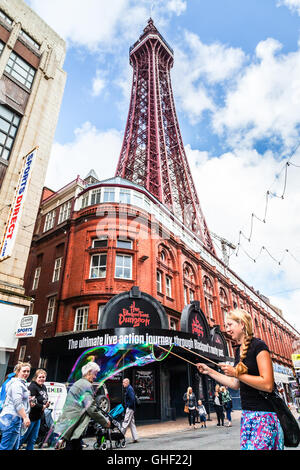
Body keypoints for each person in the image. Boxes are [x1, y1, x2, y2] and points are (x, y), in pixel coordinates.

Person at [196, 308, 284, 450]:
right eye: (226, 326)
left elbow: (268, 384)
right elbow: (235, 384)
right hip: (248, 416)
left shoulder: (259, 346)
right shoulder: (238, 351)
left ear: (242, 324)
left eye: (230, 325)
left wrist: (236, 373)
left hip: (265, 416)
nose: (227, 329)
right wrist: (209, 371)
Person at [54, 362, 110, 450]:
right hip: (74, 424)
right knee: (73, 446)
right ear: (88, 373)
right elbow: (91, 408)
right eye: (95, 374)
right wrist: (105, 422)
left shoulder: (78, 383)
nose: (95, 377)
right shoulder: (86, 385)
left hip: (70, 423)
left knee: (74, 445)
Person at [0, 362, 31, 450]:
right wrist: (25, 417)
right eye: (24, 371)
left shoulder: (20, 383)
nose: (26, 373)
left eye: (28, 371)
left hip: (13, 418)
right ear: (18, 372)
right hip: (12, 419)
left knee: (13, 447)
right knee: (6, 448)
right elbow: (17, 403)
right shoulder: (17, 384)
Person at [20, 369, 49, 450]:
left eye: (43, 377)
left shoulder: (43, 386)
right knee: (23, 437)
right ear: (36, 377)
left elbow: (43, 398)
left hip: (38, 417)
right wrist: (42, 406)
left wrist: (46, 404)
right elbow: (31, 403)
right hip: (31, 416)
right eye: (40, 377)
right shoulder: (32, 387)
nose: (42, 379)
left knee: (33, 439)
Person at [121, 378, 138, 443]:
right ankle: (135, 438)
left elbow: (132, 399)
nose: (123, 384)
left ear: (127, 383)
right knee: (132, 423)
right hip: (131, 408)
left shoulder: (129, 389)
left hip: (130, 408)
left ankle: (120, 436)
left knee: (126, 421)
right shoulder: (129, 388)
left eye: (124, 383)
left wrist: (128, 405)